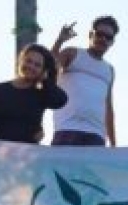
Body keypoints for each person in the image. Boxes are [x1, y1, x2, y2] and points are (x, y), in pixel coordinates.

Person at [50, 16, 118, 146]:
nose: (103, 39)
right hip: (68, 128)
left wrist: (113, 143)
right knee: (62, 167)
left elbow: (108, 107)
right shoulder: (73, 53)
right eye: (99, 34)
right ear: (91, 34)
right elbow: (48, 68)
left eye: (108, 37)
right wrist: (59, 41)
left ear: (112, 42)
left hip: (96, 135)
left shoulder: (109, 70)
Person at [0, 44, 68, 143]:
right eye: (28, 61)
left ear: (42, 70)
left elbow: (61, 100)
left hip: (28, 154)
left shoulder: (41, 94)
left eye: (37, 65)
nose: (31, 66)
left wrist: (45, 80)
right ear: (21, 60)